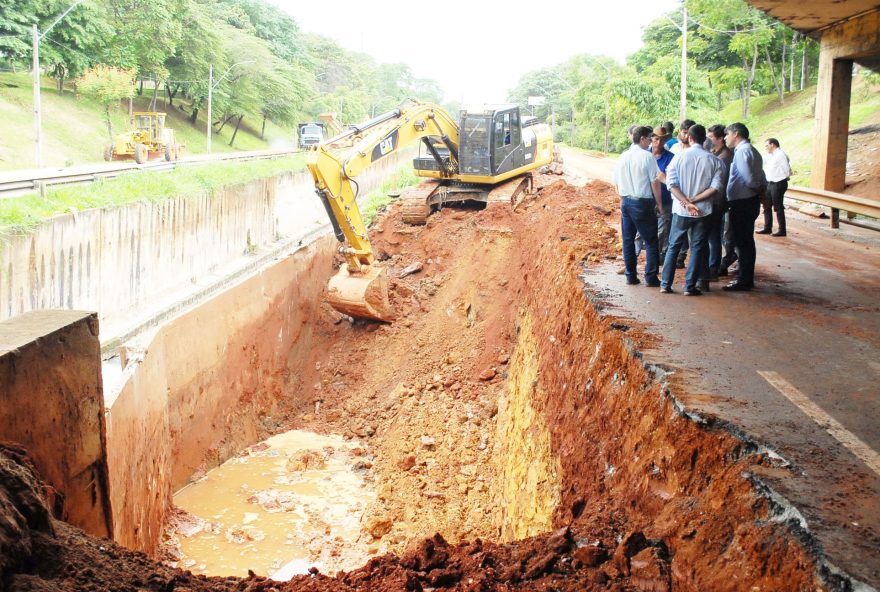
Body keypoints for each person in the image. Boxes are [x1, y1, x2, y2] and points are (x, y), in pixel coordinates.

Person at [661, 124, 723, 295]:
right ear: (705, 139)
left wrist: (686, 202)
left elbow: (671, 184)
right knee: (697, 247)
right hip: (703, 211)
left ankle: (665, 284)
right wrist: (695, 200)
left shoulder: (678, 158)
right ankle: (690, 286)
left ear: (690, 137)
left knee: (674, 246)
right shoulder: (714, 161)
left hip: (681, 211)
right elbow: (715, 188)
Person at [613, 125, 664, 287]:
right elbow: (655, 183)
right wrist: (659, 204)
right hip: (643, 203)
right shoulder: (647, 157)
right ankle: (650, 276)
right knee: (651, 241)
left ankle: (631, 275)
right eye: (650, 138)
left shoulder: (622, 156)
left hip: (626, 201)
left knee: (628, 240)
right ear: (642, 138)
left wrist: (622, 198)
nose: (651, 142)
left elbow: (615, 183)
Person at [723, 122, 766, 291]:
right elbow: (761, 177)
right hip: (748, 200)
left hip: (743, 202)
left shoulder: (742, 152)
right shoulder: (752, 150)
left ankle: (744, 279)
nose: (726, 138)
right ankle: (745, 277)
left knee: (743, 242)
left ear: (736, 133)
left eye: (727, 134)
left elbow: (750, 180)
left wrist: (756, 190)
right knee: (745, 241)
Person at [706, 124, 733, 280]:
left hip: (717, 200)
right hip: (715, 200)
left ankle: (713, 268)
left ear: (720, 139)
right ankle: (712, 266)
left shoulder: (724, 157)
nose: (708, 141)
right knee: (713, 235)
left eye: (711, 138)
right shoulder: (717, 153)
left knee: (713, 236)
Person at [650, 126, 675, 260]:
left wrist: (664, 178)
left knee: (663, 230)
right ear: (651, 139)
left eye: (661, 140)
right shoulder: (645, 155)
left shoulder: (671, 158)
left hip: (665, 200)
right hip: (647, 199)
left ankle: (657, 256)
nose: (658, 143)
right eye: (656, 139)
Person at [761, 138, 792, 236]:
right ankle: (767, 227)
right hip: (769, 182)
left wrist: (784, 178)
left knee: (778, 206)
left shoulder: (781, 154)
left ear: (772, 145)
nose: (766, 148)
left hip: (778, 182)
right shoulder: (770, 156)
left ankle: (782, 230)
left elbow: (786, 168)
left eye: (767, 145)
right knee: (766, 205)